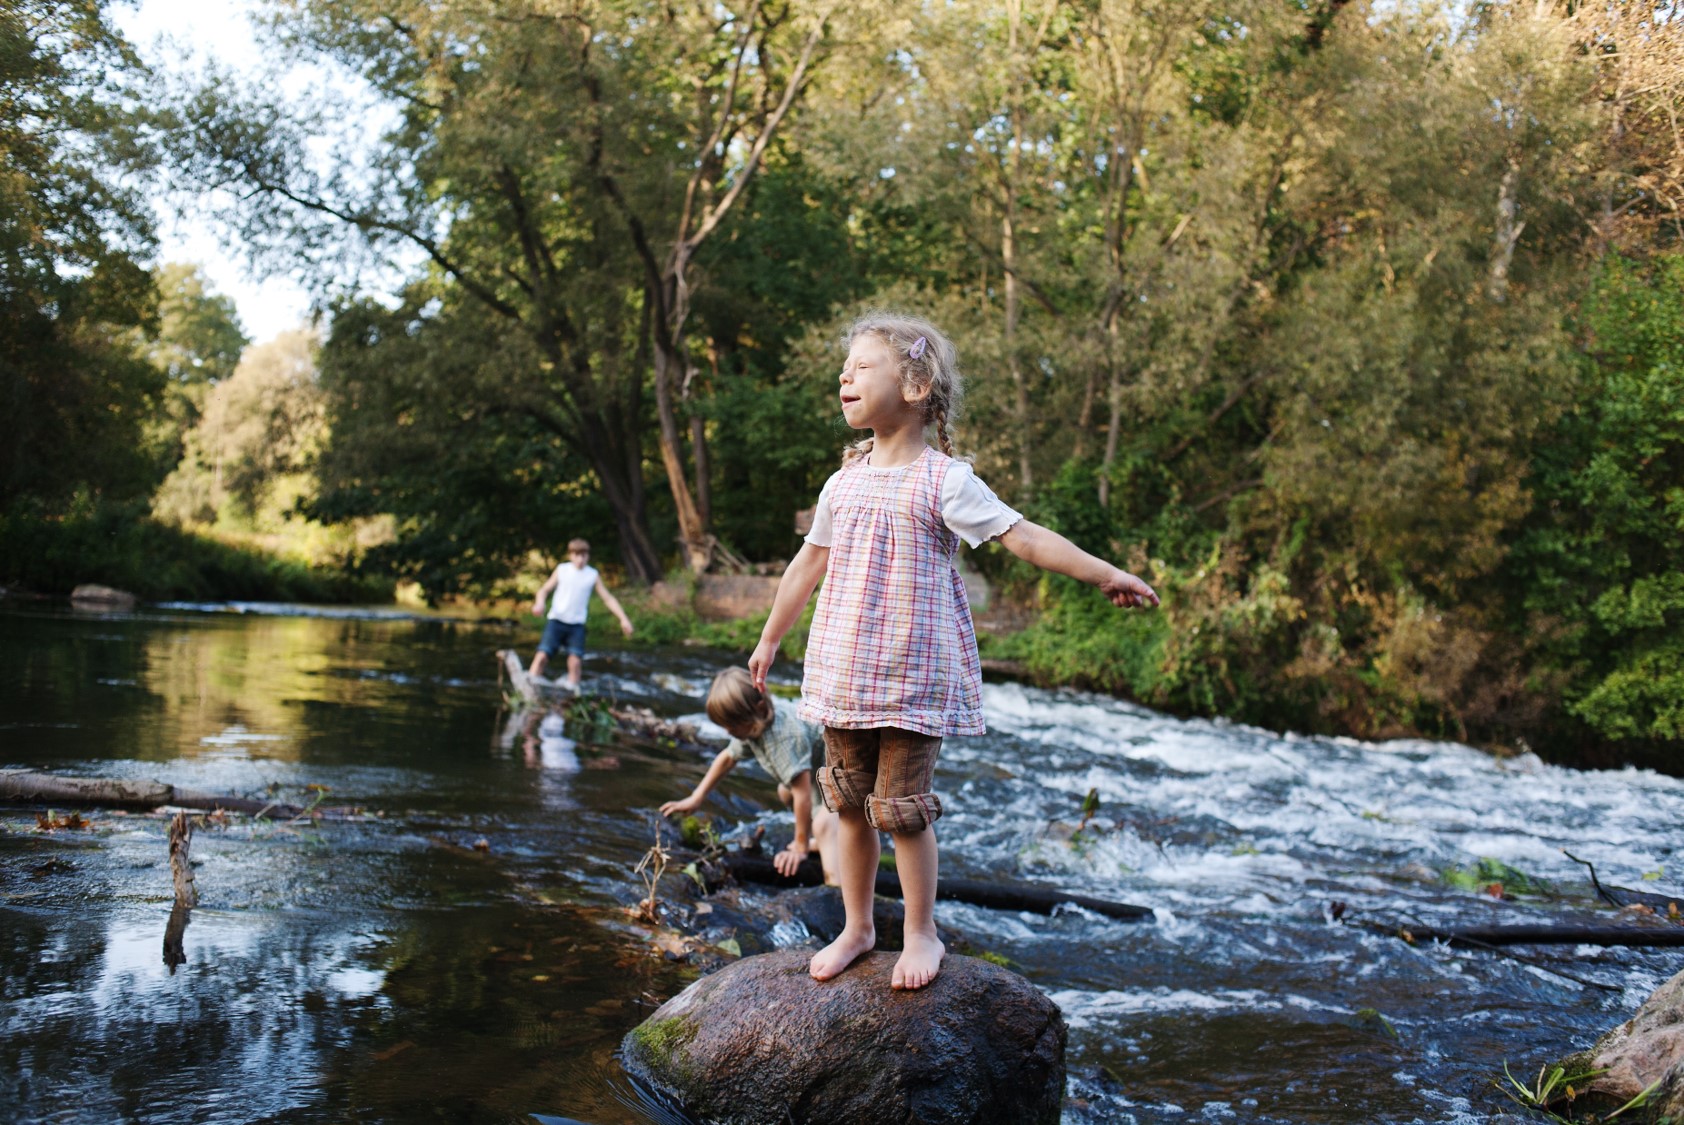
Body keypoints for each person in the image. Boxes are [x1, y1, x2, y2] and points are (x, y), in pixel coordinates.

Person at [749, 311, 1159, 992]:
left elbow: (1022, 535)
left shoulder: (944, 480)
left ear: (914, 386)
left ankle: (920, 930)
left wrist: (1103, 571)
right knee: (847, 801)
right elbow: (805, 564)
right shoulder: (841, 481)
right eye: (843, 369)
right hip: (846, 669)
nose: (844, 376)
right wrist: (769, 636)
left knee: (901, 809)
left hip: (914, 675)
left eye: (862, 366)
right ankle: (857, 925)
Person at [659, 668, 839, 883]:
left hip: (843, 781)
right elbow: (727, 758)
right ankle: (825, 841)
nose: (727, 732)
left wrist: (799, 847)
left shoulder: (783, 737)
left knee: (823, 825)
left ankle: (836, 887)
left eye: (732, 725)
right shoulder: (756, 723)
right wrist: (696, 798)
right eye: (724, 725)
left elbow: (803, 796)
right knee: (785, 791)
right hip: (821, 778)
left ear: (759, 709)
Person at [529, 538, 634, 690]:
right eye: (576, 555)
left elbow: (608, 598)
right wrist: (540, 603)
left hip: (576, 626)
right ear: (570, 555)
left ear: (588, 556)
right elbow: (544, 590)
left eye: (583, 555)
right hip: (556, 621)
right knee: (541, 657)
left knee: (575, 662)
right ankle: (530, 688)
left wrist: (624, 619)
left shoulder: (592, 575)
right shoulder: (562, 570)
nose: (580, 559)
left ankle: (573, 694)